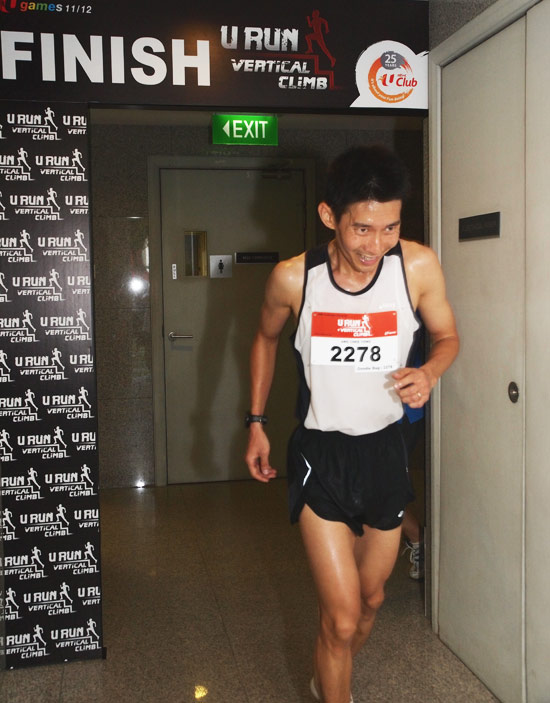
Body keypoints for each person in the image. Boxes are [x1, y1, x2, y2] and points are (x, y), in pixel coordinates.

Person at [245, 145, 459, 703]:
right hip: (321, 456)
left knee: (370, 604)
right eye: (362, 229)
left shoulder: (415, 265)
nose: (376, 245)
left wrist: (431, 371)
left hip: (386, 453)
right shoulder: (295, 279)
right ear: (328, 217)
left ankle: (325, 673)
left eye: (390, 227)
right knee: (340, 621)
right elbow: (265, 339)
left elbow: (447, 337)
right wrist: (256, 422)